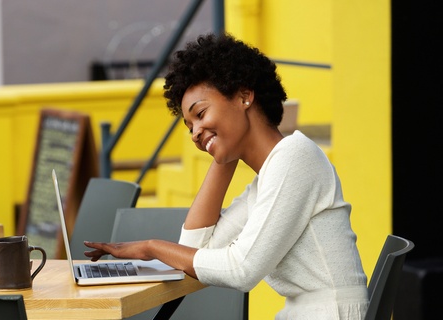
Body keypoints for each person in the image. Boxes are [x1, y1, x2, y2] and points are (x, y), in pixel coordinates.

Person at [84, 33, 368, 319]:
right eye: (189, 125)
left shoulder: (296, 157)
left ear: (244, 96)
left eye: (201, 113)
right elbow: (194, 250)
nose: (195, 132)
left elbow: (241, 270)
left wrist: (151, 247)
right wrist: (224, 153)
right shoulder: (268, 177)